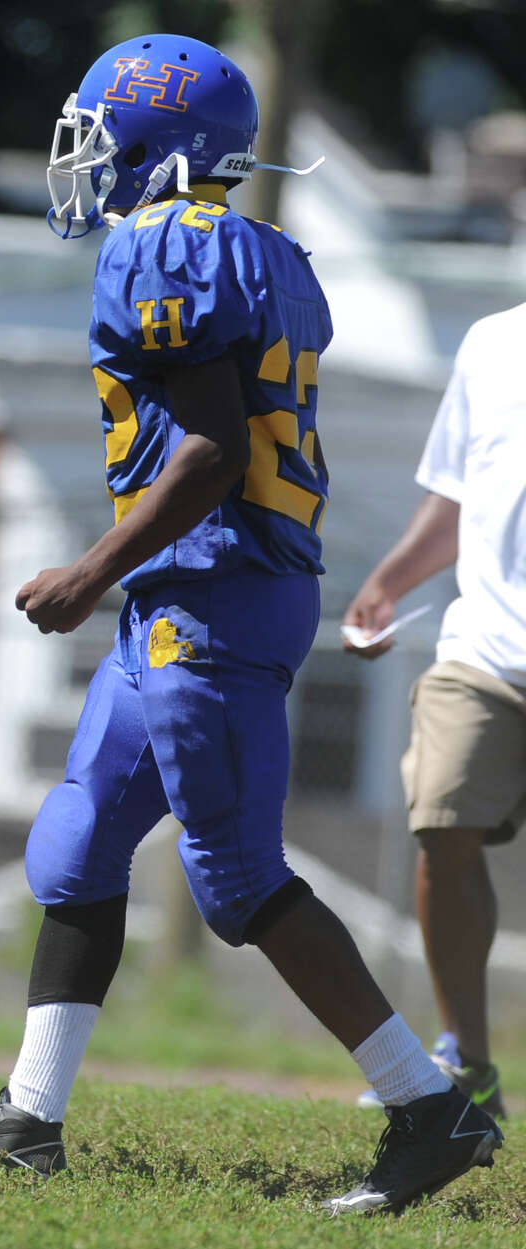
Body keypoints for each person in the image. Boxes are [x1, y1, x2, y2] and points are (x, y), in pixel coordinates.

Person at [0, 33, 503, 1213]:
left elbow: (211, 450)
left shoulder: (166, 242)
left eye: (103, 133)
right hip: (196, 586)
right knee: (76, 841)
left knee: (235, 875)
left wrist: (87, 569)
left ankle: (429, 1109)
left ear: (165, 148)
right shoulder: (257, 243)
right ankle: (28, 1118)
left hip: (211, 584)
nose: (87, 156)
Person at [343, 302, 526, 1122]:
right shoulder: (490, 341)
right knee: (441, 825)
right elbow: (457, 492)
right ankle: (467, 1063)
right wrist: (387, 583)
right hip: (483, 647)